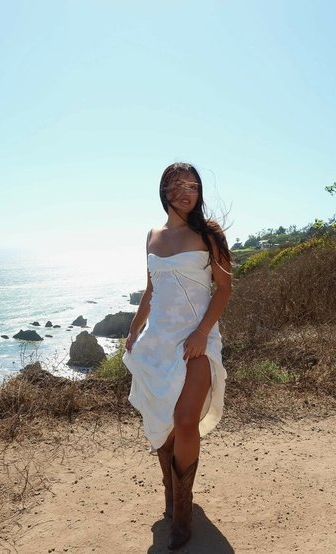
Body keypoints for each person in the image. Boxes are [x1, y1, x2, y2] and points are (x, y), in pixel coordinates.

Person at [123, 162, 232, 550]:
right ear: (163, 190)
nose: (186, 192)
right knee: (163, 424)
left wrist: (202, 333)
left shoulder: (209, 233)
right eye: (177, 185)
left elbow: (224, 289)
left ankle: (182, 513)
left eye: (193, 186)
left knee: (185, 420)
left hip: (198, 340)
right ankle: (170, 492)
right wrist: (134, 329)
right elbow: (151, 290)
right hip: (158, 341)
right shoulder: (152, 236)